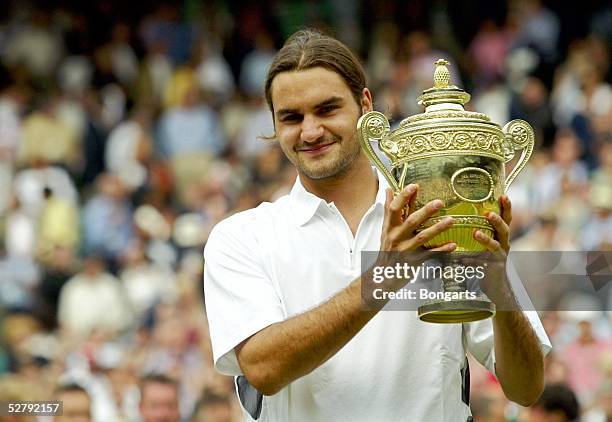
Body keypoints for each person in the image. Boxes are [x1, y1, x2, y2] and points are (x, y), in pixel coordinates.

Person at [204, 29, 551, 421]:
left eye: (327, 109)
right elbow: (264, 369)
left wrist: (498, 282)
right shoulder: (243, 237)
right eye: (291, 117)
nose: (311, 131)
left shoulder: (441, 213)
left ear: (365, 106)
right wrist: (386, 275)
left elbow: (526, 388)